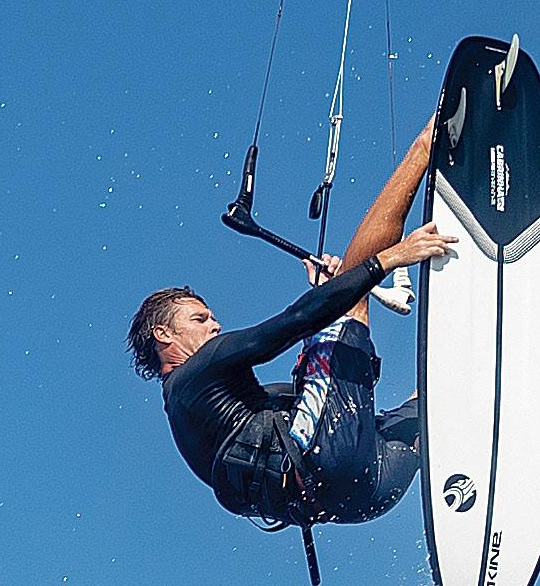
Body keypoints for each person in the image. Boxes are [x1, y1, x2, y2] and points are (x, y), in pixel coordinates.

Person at [129, 121, 452, 534]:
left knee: (425, 411)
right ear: (164, 335)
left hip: (359, 499)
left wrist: (332, 300)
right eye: (200, 318)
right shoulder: (196, 371)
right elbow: (288, 325)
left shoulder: (193, 413)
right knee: (348, 292)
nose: (215, 323)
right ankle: (425, 145)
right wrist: (386, 261)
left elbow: (314, 389)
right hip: (326, 458)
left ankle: (468, 388)